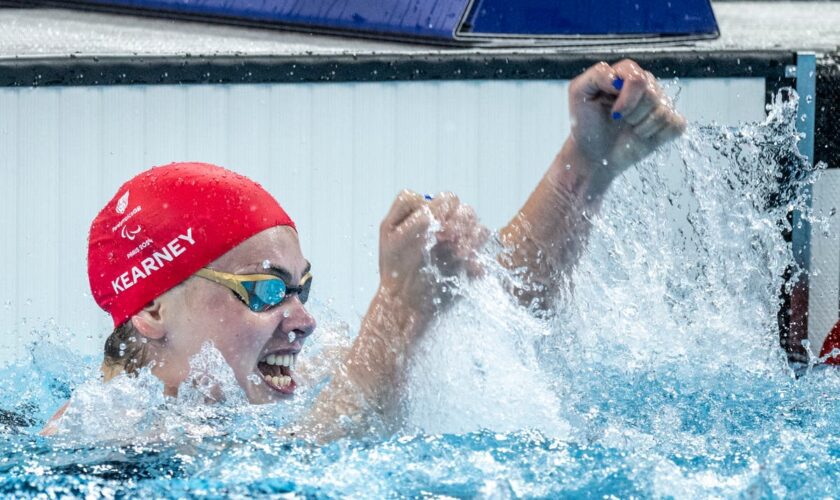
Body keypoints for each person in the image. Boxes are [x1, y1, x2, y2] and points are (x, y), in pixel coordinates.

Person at [42, 59, 686, 439]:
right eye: (265, 290)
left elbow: (505, 316)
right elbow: (307, 469)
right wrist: (402, 310)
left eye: (301, 288)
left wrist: (585, 167)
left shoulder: (299, 380)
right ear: (153, 308)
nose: (303, 319)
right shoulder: (100, 443)